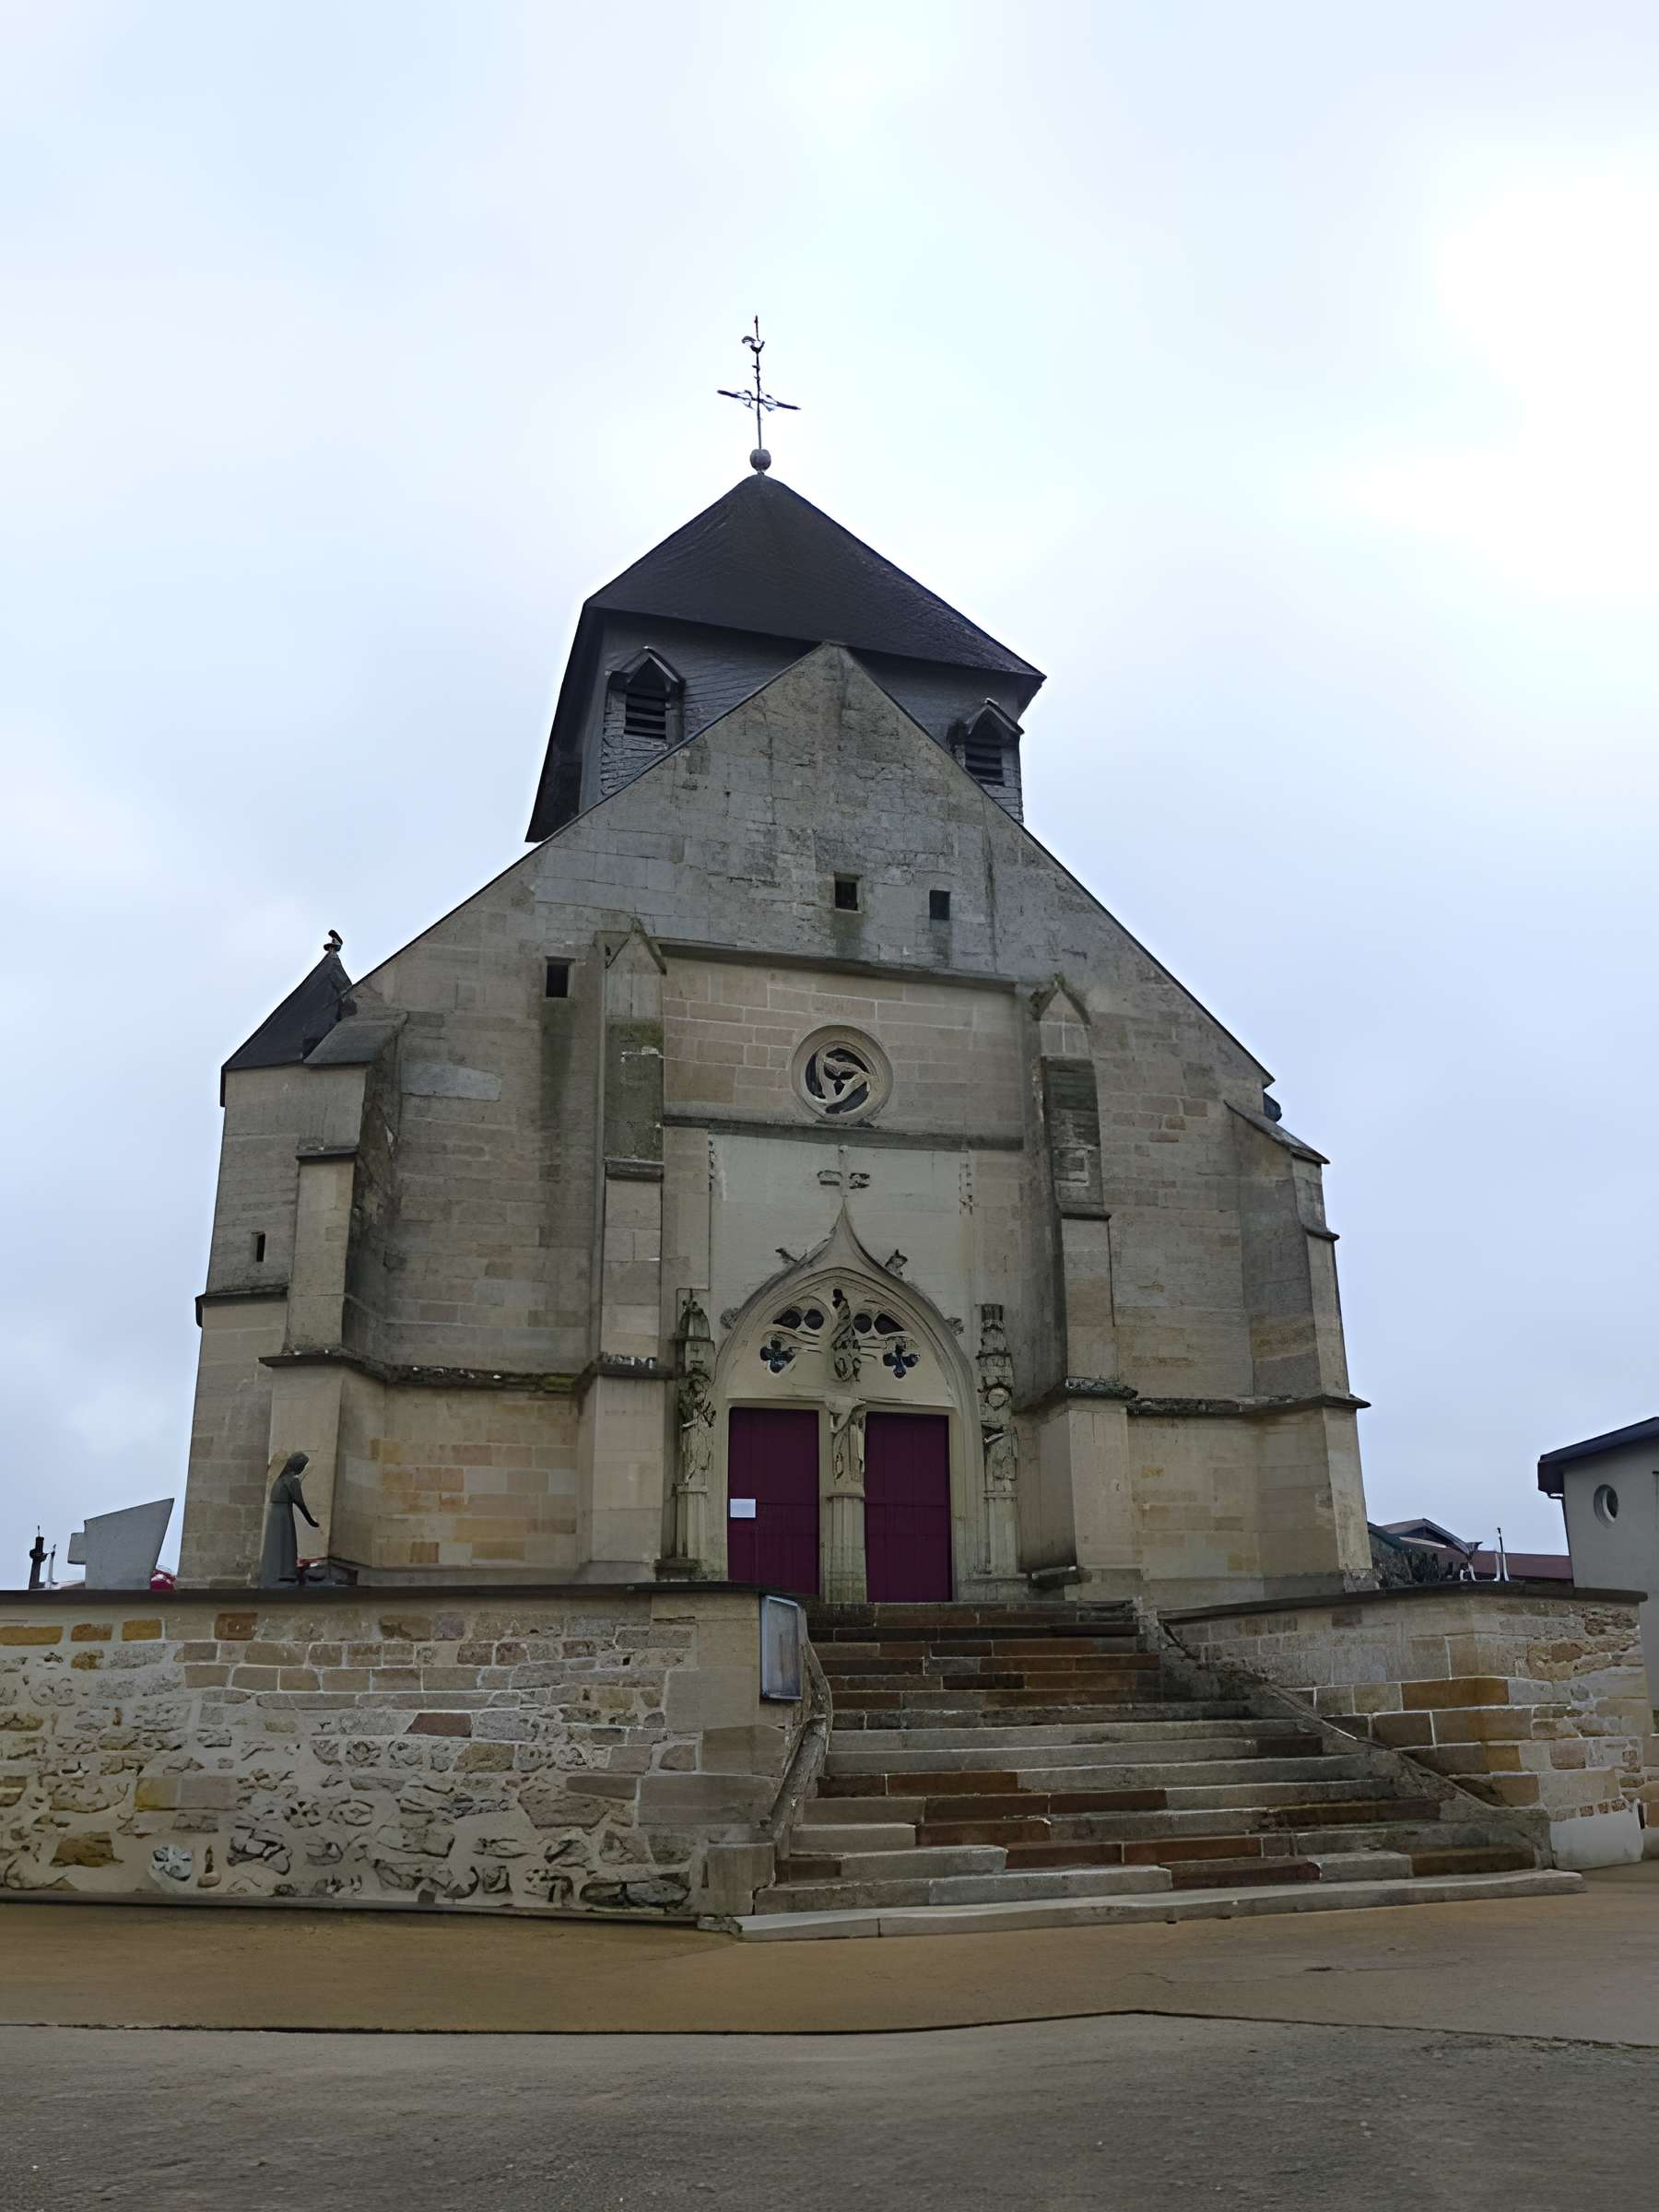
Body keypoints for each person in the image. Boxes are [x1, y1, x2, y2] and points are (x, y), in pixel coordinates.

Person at [260, 1452, 319, 1585]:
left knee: (276, 1541)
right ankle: (286, 1571)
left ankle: (274, 1570)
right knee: (285, 1541)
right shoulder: (292, 1480)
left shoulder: (280, 1479)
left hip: (276, 1512)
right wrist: (311, 1521)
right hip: (284, 1513)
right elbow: (300, 1502)